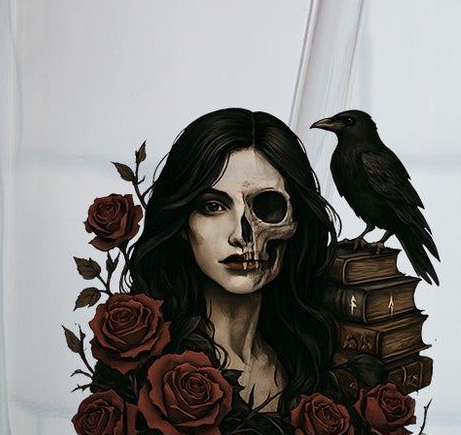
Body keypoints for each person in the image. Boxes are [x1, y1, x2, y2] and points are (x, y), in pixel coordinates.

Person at [128, 107, 338, 413]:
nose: (242, 235)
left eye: (267, 205)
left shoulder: (313, 360)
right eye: (213, 206)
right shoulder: (142, 363)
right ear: (183, 224)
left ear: (297, 222)